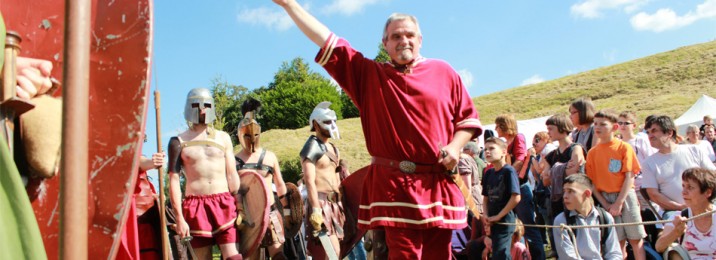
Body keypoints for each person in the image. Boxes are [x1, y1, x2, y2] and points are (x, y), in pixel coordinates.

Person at [273, 1, 483, 258]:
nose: (403, 40)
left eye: (409, 35)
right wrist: (290, 5)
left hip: (436, 182)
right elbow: (329, 41)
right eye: (395, 36)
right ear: (385, 43)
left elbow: (467, 121)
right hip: (394, 186)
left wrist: (455, 146)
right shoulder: (369, 75)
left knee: (439, 254)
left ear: (420, 39)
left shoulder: (445, 72)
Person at [167, 88, 243, 260]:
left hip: (224, 203)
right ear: (189, 107)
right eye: (197, 105)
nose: (202, 110)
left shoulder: (223, 138)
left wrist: (240, 205)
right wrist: (179, 218)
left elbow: (232, 175)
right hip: (195, 207)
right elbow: (173, 180)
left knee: (234, 257)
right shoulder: (178, 142)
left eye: (207, 105)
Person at [585, 109, 646, 260]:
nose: (597, 127)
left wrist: (619, 202)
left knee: (636, 239)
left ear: (615, 127)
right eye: (595, 124)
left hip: (626, 196)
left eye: (603, 124)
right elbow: (591, 182)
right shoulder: (592, 153)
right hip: (605, 198)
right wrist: (605, 203)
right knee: (617, 243)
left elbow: (629, 176)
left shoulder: (624, 147)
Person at [234, 98, 289, 259]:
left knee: (278, 255)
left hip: (271, 212)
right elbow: (231, 190)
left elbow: (280, 186)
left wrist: (287, 212)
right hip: (247, 217)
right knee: (252, 257)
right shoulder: (233, 161)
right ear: (240, 134)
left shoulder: (269, 157)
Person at [641, 115, 716, 221]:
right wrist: (681, 207)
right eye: (648, 132)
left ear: (669, 133)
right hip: (675, 212)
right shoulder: (648, 163)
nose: (650, 136)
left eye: (654, 131)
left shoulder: (694, 150)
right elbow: (653, 194)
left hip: (707, 204)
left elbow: (712, 177)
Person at [300, 101, 346, 260]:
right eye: (327, 122)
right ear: (316, 124)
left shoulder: (334, 148)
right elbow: (309, 180)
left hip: (335, 207)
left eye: (333, 121)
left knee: (329, 256)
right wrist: (315, 209)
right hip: (321, 206)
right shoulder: (311, 147)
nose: (332, 125)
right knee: (334, 254)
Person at [495, 114, 543, 259]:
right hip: (510, 188)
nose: (496, 129)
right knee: (516, 227)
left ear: (504, 125)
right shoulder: (505, 142)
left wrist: (506, 173)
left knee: (529, 227)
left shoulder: (518, 138)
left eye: (497, 125)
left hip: (520, 187)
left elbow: (521, 159)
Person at [553, 174, 622, 260]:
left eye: (570, 191)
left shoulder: (605, 218)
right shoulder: (561, 221)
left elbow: (614, 253)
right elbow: (568, 256)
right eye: (564, 191)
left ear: (587, 193)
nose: (565, 196)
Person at [655, 167, 716, 259]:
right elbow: (659, 247)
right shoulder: (680, 216)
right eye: (683, 186)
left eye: (690, 187)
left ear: (708, 192)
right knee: (672, 251)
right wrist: (676, 232)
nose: (683, 192)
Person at [481, 137, 520, 259]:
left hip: (505, 221)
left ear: (504, 151)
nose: (487, 152)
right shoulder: (488, 173)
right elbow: (486, 198)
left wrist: (499, 216)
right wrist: (486, 215)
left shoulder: (509, 171)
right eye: (486, 149)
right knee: (496, 252)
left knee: (502, 254)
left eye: (492, 148)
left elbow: (516, 197)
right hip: (492, 221)